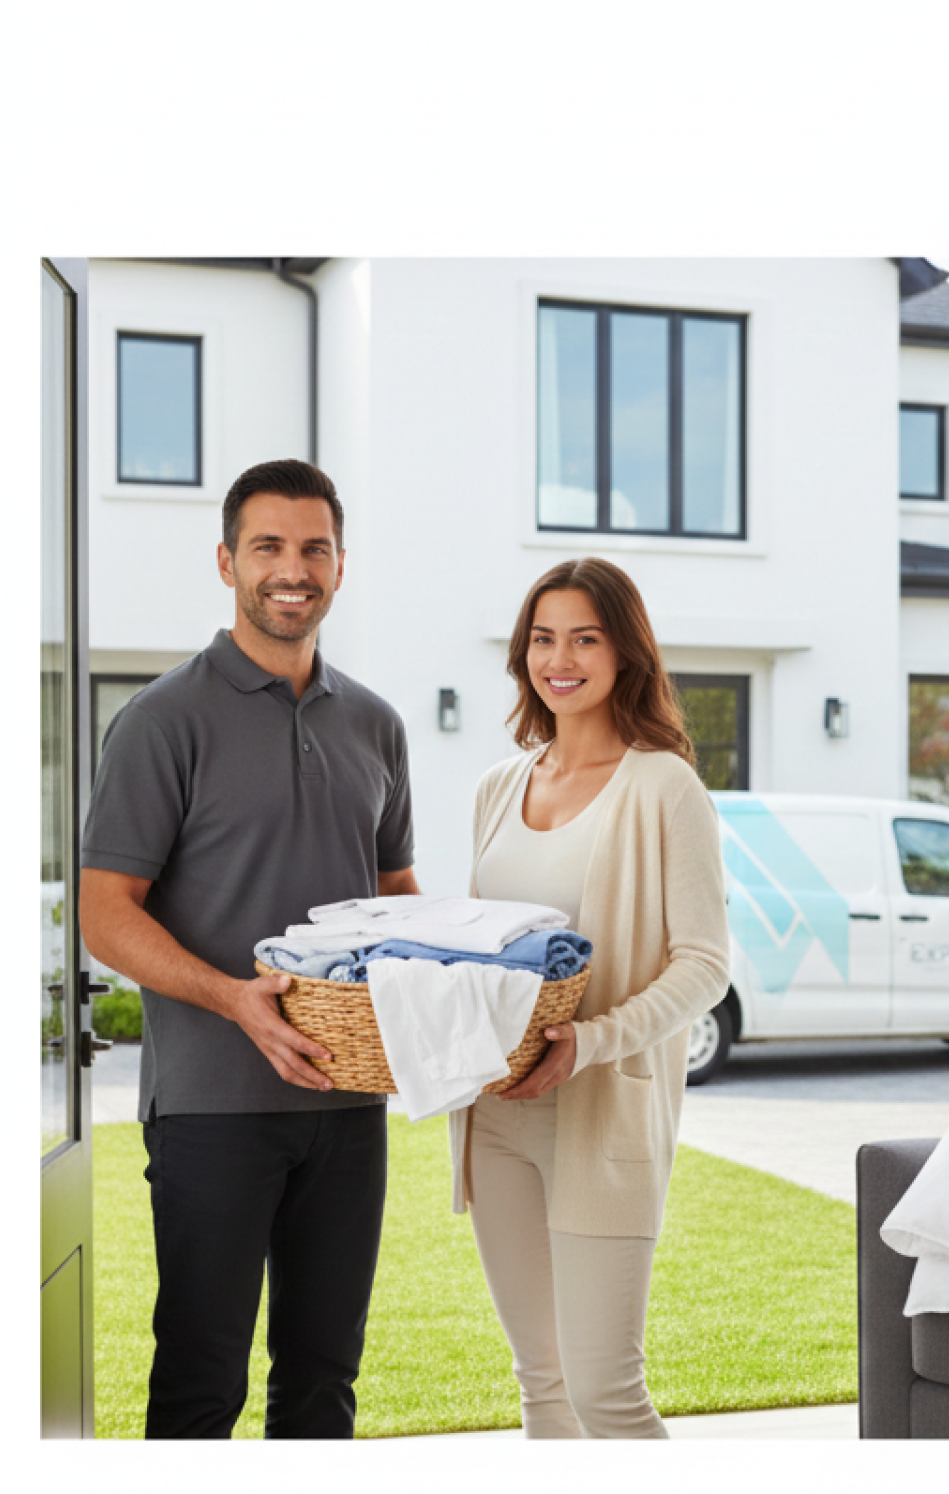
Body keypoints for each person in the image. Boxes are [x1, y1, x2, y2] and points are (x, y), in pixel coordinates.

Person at [80, 459, 419, 1440]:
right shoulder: (160, 721)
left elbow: (394, 896)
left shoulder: (376, 724)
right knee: (200, 1383)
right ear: (228, 562)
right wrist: (236, 999)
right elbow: (105, 915)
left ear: (341, 566)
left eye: (315, 548)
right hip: (212, 1105)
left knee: (323, 1382)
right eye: (268, 546)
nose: (293, 569)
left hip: (347, 1106)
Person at [450, 558, 729, 1438]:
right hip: (497, 1113)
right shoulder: (499, 787)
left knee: (606, 1393)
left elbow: (704, 964)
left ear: (624, 653)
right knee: (542, 1383)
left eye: (584, 639)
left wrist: (591, 1041)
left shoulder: (664, 786)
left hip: (602, 1115)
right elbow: (483, 947)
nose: (559, 659)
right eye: (543, 639)